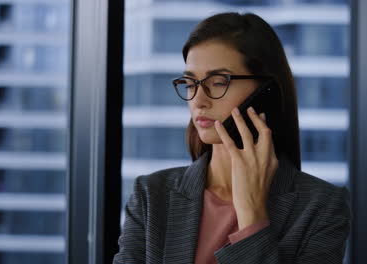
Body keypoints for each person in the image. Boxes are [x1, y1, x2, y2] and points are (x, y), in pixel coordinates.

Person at [113, 12, 351, 264]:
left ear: (265, 92)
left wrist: (252, 215)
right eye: (191, 82)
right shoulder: (151, 195)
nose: (198, 101)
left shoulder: (321, 207)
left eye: (218, 82)